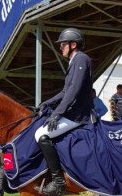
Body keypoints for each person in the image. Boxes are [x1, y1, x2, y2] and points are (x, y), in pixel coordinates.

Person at [34, 28, 94, 195]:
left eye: (62, 44)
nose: (60, 47)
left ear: (73, 44)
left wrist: (56, 113)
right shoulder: (74, 61)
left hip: (78, 115)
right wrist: (47, 103)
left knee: (41, 135)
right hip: (72, 112)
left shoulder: (81, 59)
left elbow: (74, 91)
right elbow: (65, 91)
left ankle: (58, 182)